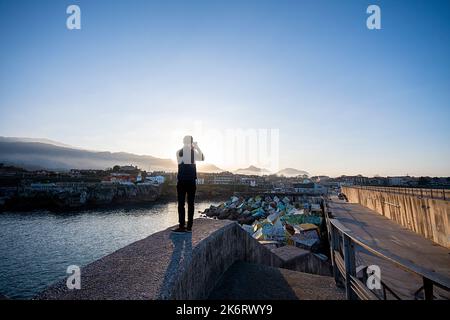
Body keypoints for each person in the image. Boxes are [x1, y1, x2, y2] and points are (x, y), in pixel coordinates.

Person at [172, 135, 204, 233]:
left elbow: (201, 158)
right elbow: (202, 158)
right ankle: (189, 227)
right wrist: (196, 147)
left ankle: (182, 226)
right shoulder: (188, 152)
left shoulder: (180, 152)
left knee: (181, 204)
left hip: (182, 181)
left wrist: (194, 148)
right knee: (190, 204)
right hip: (190, 181)